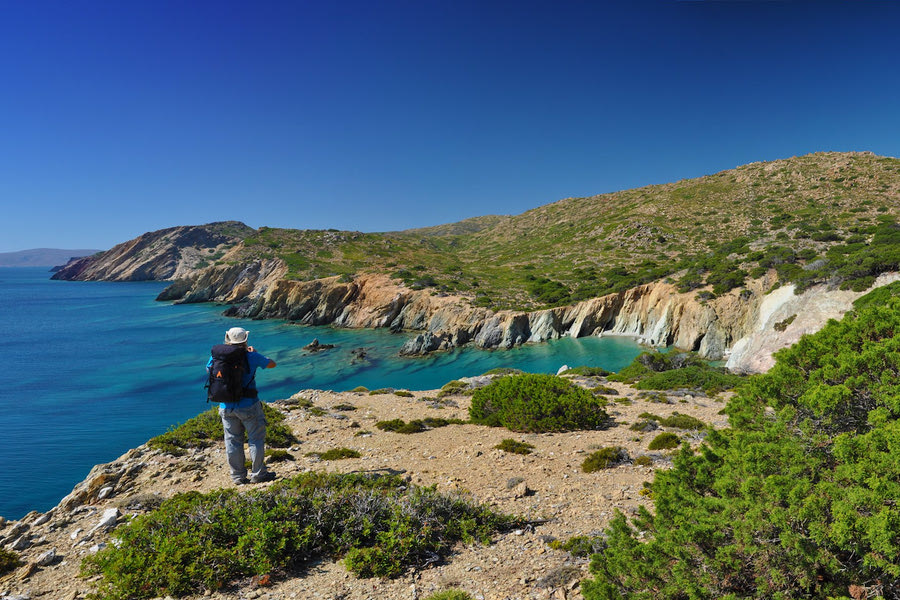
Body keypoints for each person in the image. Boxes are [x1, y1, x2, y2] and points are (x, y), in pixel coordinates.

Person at [206, 326, 277, 485]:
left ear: (227, 339)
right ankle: (258, 474)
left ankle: (237, 477)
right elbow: (272, 364)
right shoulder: (251, 356)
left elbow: (208, 369)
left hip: (226, 406)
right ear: (245, 340)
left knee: (232, 441)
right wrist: (256, 354)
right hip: (249, 405)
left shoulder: (218, 357)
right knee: (255, 439)